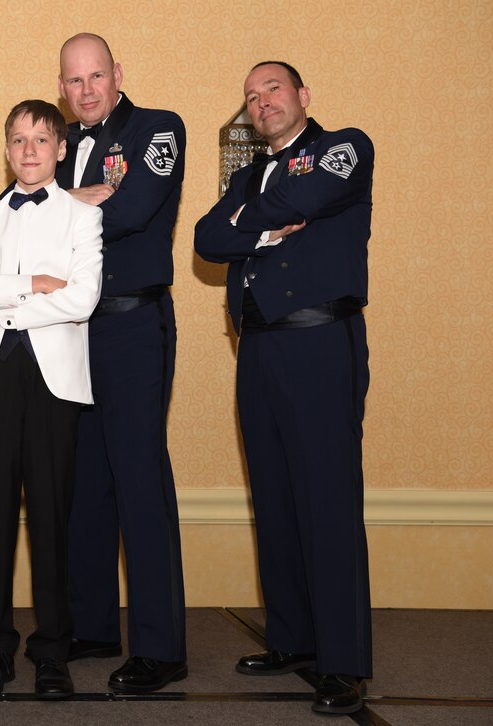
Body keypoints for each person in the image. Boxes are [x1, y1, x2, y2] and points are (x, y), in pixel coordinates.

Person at [194, 61, 374, 716]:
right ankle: (293, 639)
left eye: (272, 88)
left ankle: (344, 661)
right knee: (273, 496)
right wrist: (255, 221)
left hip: (320, 342)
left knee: (326, 500)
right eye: (249, 95)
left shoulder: (343, 147)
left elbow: (299, 200)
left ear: (302, 95)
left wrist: (249, 217)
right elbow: (206, 238)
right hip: (259, 344)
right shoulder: (247, 174)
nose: (260, 100)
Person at [0, 100, 103, 700]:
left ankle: (52, 652)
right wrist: (35, 284)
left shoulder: (81, 217)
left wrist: (4, 296)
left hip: (54, 383)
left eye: (42, 139)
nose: (30, 150)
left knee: (50, 516)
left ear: (61, 148)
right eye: (18, 140)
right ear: (7, 149)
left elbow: (83, 300)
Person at [55, 33, 188, 692]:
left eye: (96, 76)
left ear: (117, 75)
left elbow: (134, 208)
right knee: (86, 484)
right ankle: (94, 625)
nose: (86, 90)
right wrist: (90, 195)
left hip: (134, 324)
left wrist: (58, 205)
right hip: (74, 333)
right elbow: (23, 222)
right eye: (74, 81)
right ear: (62, 87)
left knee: (139, 480)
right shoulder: (56, 146)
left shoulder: (157, 129)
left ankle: (161, 648)